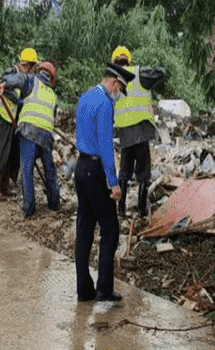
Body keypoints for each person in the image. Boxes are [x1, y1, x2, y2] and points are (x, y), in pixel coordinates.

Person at [74, 62, 135, 303]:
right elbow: (106, 146)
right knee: (110, 228)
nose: (117, 93)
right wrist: (114, 182)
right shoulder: (105, 103)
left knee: (85, 228)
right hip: (96, 169)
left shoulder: (85, 97)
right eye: (119, 88)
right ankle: (104, 288)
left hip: (81, 167)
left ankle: (84, 289)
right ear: (114, 83)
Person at [0, 61, 61, 218]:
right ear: (51, 78)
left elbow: (16, 79)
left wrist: (4, 84)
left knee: (27, 171)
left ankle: (29, 209)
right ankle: (54, 204)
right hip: (46, 137)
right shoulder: (52, 94)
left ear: (39, 70)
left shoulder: (31, 80)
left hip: (29, 133)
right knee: (50, 171)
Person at [109, 46, 165, 218]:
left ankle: (121, 209)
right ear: (128, 59)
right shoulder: (139, 72)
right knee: (143, 172)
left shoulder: (113, 81)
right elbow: (160, 72)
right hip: (141, 130)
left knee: (125, 171)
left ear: (114, 61)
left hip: (125, 132)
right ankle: (141, 210)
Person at [0, 47, 38, 201]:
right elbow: (5, 88)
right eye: (31, 67)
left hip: (13, 120)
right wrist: (19, 101)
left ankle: (4, 186)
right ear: (27, 65)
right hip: (3, 117)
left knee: (10, 153)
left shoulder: (25, 78)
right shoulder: (11, 72)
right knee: (0, 152)